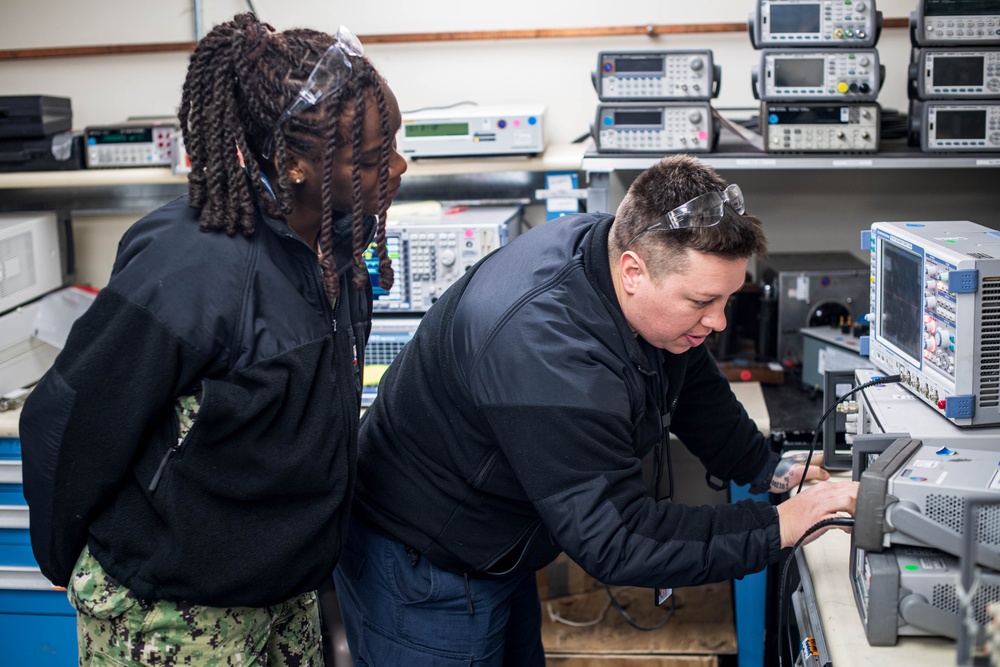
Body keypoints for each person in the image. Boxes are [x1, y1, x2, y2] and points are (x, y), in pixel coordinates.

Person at [333, 154, 858, 665]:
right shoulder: (547, 346)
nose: (718, 323)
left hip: (497, 547)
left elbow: (690, 374)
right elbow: (617, 537)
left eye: (727, 301)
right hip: (420, 564)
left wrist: (763, 466)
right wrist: (778, 526)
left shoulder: (617, 253)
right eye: (701, 303)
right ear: (634, 271)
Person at [19, 12, 406, 666]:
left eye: (394, 144)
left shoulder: (337, 250)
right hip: (172, 609)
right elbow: (63, 420)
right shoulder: (193, 268)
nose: (396, 165)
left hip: (282, 593)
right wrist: (68, 561)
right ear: (297, 165)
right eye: (370, 157)